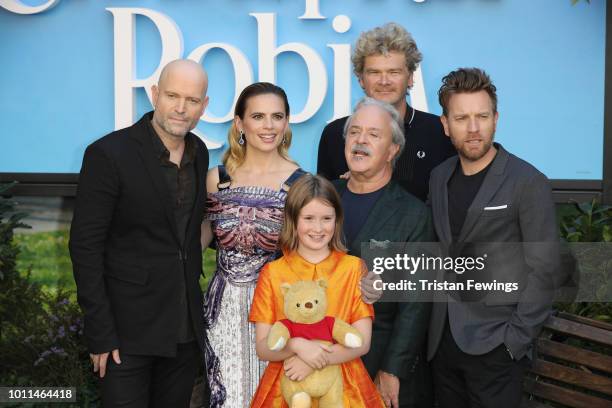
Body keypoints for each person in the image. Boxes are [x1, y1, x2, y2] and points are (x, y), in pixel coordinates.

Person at [69, 59, 210, 407]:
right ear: (154, 95)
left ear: (204, 106)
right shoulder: (108, 154)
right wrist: (100, 334)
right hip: (125, 335)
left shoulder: (200, 153)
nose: (181, 108)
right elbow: (85, 247)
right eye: (172, 95)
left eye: (192, 100)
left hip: (182, 331)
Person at [427, 68, 559, 408]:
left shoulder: (527, 182)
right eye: (462, 118)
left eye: (482, 116)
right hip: (442, 344)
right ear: (445, 124)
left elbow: (544, 271)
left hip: (496, 347)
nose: (473, 128)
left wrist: (514, 341)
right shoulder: (439, 178)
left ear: (496, 119)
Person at [200, 82, 305, 408]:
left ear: (286, 123)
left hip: (275, 310)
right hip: (222, 311)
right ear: (239, 124)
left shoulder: (301, 183)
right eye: (258, 116)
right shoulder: (217, 177)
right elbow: (197, 242)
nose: (268, 125)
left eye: (277, 116)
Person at [249, 174, 385, 407]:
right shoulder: (273, 273)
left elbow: (362, 343)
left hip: (343, 387)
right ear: (293, 219)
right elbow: (263, 347)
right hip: (289, 383)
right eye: (309, 218)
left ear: (337, 220)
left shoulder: (353, 268)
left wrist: (313, 360)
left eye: (326, 218)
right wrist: (295, 345)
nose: (318, 228)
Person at [334, 97, 434, 408]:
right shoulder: (323, 198)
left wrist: (393, 369)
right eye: (354, 132)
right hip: (318, 357)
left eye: (374, 135)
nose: (360, 141)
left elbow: (416, 303)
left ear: (392, 151)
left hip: (376, 358)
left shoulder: (414, 214)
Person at [317, 22, 455, 202]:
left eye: (394, 72)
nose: (384, 81)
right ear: (360, 79)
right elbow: (322, 204)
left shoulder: (439, 132)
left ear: (411, 78)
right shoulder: (335, 134)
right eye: (374, 72)